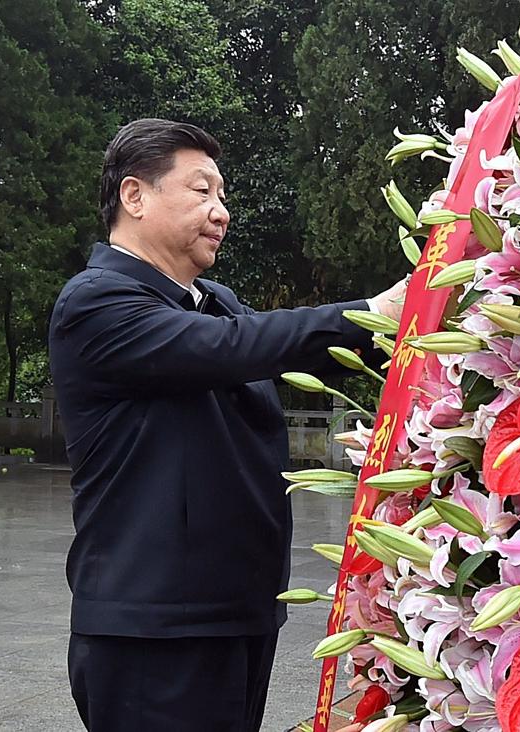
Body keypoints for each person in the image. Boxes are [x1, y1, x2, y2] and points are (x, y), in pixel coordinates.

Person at [48, 118, 406, 732]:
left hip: (239, 613)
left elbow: (287, 347)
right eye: (201, 191)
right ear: (134, 196)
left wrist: (427, 312)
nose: (221, 212)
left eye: (222, 195)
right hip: (155, 630)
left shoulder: (214, 301)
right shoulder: (96, 301)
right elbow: (233, 346)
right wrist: (372, 313)